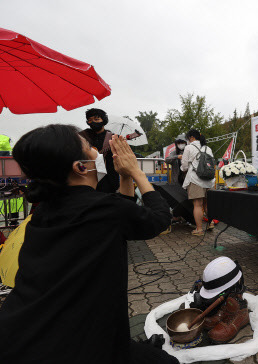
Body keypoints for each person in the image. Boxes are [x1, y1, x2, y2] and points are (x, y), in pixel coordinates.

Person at [0, 125, 177, 363]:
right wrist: (137, 173)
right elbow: (158, 219)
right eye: (89, 148)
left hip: (22, 334)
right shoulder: (104, 210)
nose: (96, 150)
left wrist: (123, 176)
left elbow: (121, 215)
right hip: (78, 344)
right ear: (81, 167)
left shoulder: (43, 214)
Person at [181, 129, 215, 235]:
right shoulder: (207, 148)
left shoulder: (189, 147)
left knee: (198, 205)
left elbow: (185, 166)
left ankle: (199, 229)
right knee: (207, 203)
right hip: (209, 180)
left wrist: (182, 168)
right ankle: (211, 223)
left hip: (196, 180)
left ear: (191, 137)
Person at [80, 108, 121, 193]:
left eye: (96, 119)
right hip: (88, 176)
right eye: (90, 120)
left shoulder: (112, 137)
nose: (93, 122)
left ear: (103, 120)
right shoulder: (83, 135)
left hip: (108, 177)